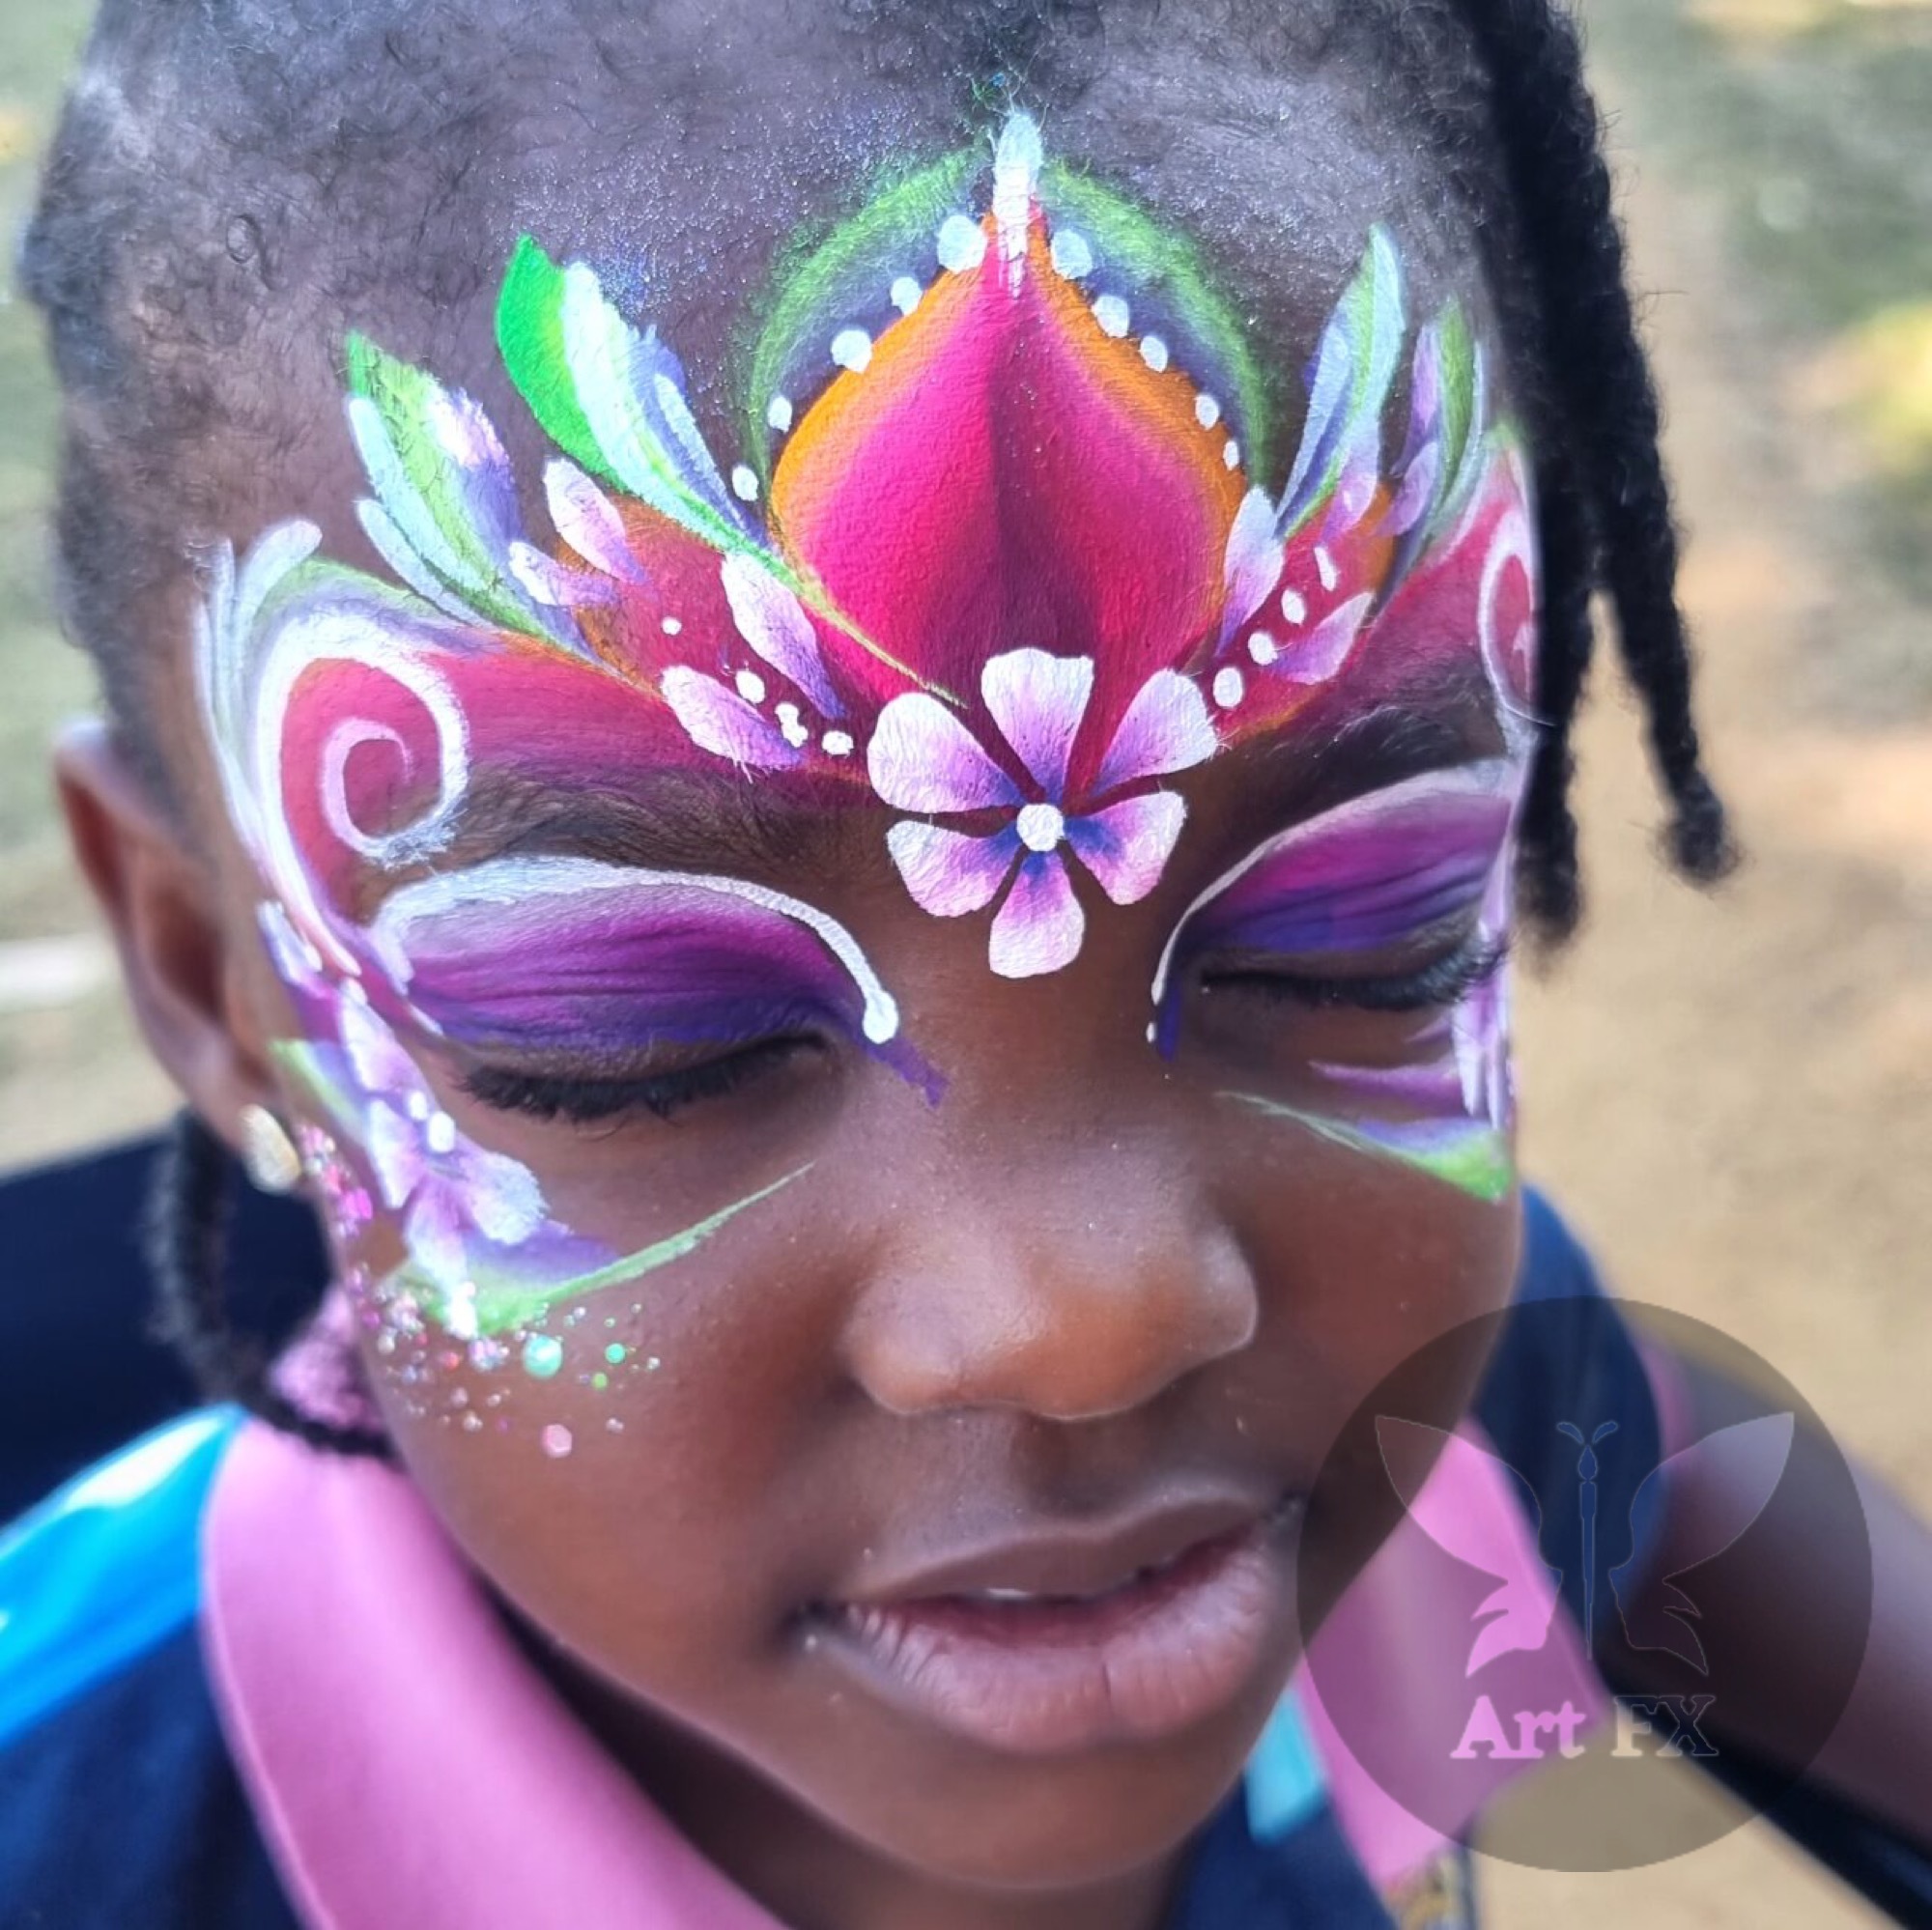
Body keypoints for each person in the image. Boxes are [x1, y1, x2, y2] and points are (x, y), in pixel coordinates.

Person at [2, 1, 1928, 1924]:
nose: (1084, 1313)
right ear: (202, 973)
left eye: (1374, 931)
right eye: (638, 1041)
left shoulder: (1470, 1433)